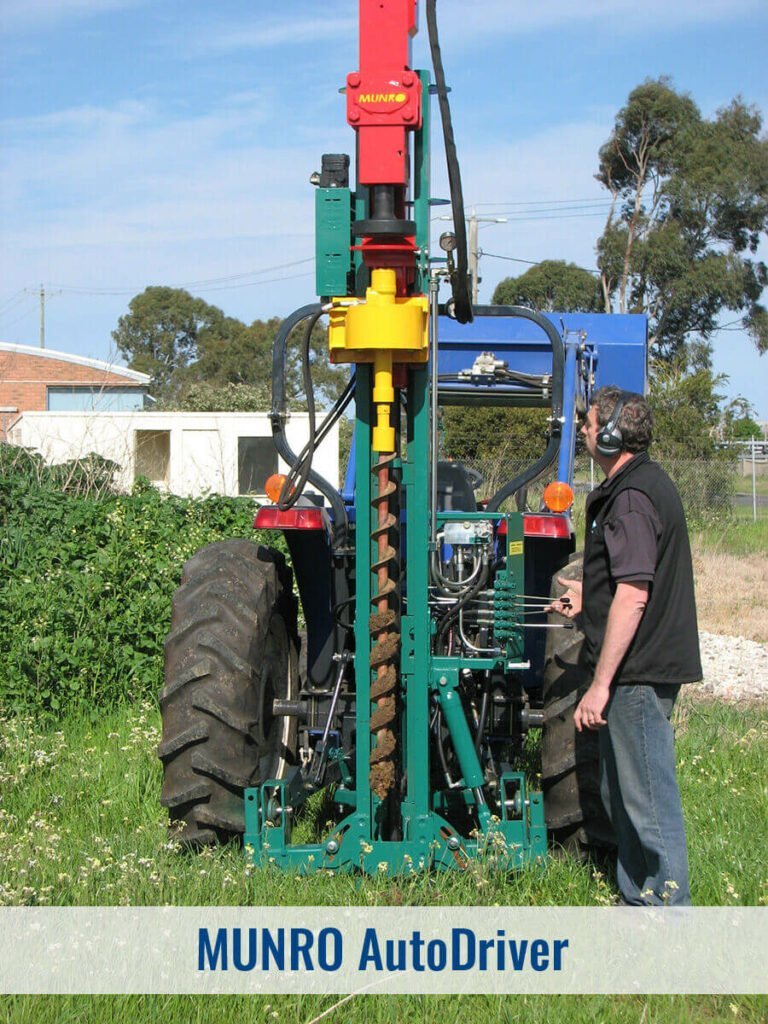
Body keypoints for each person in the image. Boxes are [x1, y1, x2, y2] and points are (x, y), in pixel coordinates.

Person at [550, 386, 701, 906]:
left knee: (646, 800)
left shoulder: (632, 498)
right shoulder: (636, 488)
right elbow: (623, 582)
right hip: (635, 667)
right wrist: (586, 597)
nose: (586, 430)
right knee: (621, 792)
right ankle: (638, 900)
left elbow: (635, 595)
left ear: (613, 434)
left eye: (591, 423)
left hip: (637, 672)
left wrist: (599, 685)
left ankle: (666, 913)